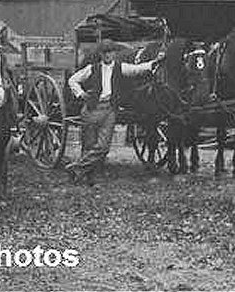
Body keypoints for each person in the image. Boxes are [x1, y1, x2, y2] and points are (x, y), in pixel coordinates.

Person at [66, 40, 164, 185]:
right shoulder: (92, 68)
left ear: (114, 54)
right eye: (105, 53)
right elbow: (73, 80)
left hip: (109, 110)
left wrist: (156, 61)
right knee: (89, 144)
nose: (108, 55)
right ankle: (86, 175)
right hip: (92, 109)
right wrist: (80, 94)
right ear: (101, 54)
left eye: (110, 52)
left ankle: (76, 167)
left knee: (104, 147)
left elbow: (138, 69)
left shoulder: (120, 67)